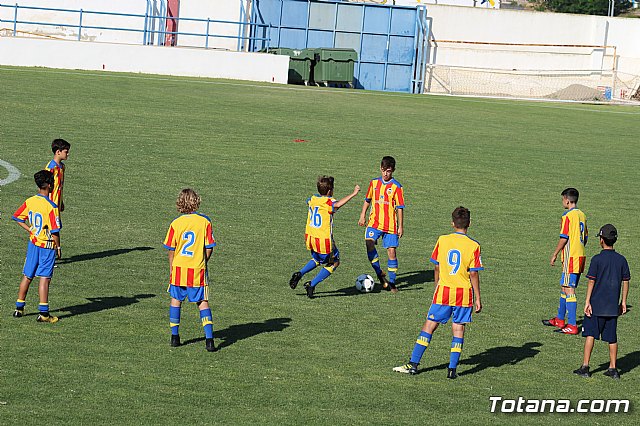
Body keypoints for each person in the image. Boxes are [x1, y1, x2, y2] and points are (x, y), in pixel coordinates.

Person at [393, 206, 483, 378]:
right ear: (469, 224)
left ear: (452, 223)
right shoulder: (473, 245)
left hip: (444, 290)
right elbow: (473, 272)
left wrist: (437, 286)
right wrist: (478, 298)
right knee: (458, 330)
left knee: (429, 326)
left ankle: (413, 364)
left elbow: (437, 266)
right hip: (463, 293)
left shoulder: (442, 240)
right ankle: (452, 370)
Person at [163, 189, 217, 352]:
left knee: (175, 300)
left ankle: (175, 337)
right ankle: (209, 341)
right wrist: (203, 260)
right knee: (202, 302)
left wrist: (172, 267)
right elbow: (209, 247)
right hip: (197, 270)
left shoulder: (175, 223)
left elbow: (171, 249)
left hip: (179, 269)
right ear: (197, 201)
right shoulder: (205, 222)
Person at [574, 224, 630, 380]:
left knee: (590, 335)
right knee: (612, 337)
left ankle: (585, 367)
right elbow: (626, 281)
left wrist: (587, 302)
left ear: (601, 240)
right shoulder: (621, 260)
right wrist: (623, 302)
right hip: (612, 307)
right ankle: (613, 369)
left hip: (596, 306)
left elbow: (591, 281)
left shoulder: (597, 259)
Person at [289, 176, 360, 298]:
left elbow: (308, 201)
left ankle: (299, 274)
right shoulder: (329, 203)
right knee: (334, 263)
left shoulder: (313, 199)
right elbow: (337, 205)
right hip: (323, 241)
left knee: (317, 260)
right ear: (329, 191)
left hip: (311, 238)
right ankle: (311, 285)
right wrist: (353, 193)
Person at [11, 170, 62, 323]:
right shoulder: (51, 206)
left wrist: (30, 229)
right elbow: (55, 232)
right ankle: (44, 314)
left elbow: (17, 217)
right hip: (46, 246)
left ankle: (19, 308)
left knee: (27, 275)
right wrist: (58, 247)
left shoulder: (31, 201)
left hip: (33, 244)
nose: (53, 184)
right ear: (47, 185)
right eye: (52, 182)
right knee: (44, 278)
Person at [543, 188, 588, 335]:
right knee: (564, 286)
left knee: (569, 289)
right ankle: (560, 319)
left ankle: (572, 325)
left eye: (563, 199)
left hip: (571, 257)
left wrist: (555, 253)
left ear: (567, 200)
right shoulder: (582, 215)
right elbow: (585, 237)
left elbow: (564, 237)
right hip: (580, 256)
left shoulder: (567, 216)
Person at [358, 156, 404, 293]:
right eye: (384, 170)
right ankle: (379, 273)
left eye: (388, 171)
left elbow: (400, 207)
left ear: (393, 171)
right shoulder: (374, 183)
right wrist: (362, 215)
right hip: (374, 223)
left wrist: (401, 226)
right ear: (380, 168)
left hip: (390, 225)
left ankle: (392, 283)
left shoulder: (397, 187)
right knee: (369, 243)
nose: (385, 174)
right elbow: (368, 199)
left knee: (391, 252)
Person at [45, 138, 70, 259]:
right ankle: (53, 253)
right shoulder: (51, 167)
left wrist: (61, 201)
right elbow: (44, 185)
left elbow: (59, 187)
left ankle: (53, 254)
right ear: (58, 152)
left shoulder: (62, 167)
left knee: (54, 229)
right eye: (66, 151)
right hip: (50, 204)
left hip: (56, 203)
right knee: (53, 229)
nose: (68, 154)